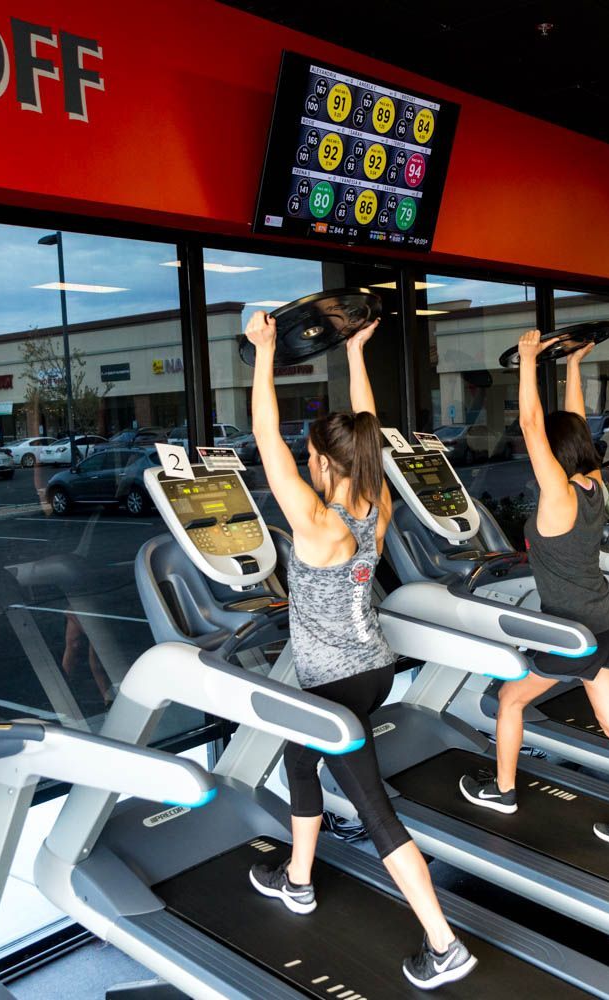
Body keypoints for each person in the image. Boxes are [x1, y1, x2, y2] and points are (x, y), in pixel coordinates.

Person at [242, 312, 476, 990]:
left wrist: (262, 355)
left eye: (308, 456)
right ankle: (297, 878)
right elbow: (367, 427)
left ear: (319, 461)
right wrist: (354, 355)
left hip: (336, 688)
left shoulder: (317, 525)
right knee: (298, 759)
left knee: (374, 811)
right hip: (373, 670)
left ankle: (443, 944)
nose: (303, 464)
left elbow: (264, 440)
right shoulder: (372, 503)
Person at [459, 328, 609, 855]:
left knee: (508, 698)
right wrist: (572, 365)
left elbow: (529, 424)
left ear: (555, 453)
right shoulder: (594, 484)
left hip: (572, 632)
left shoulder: (557, 493)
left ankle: (502, 792)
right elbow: (576, 429)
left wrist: (526, 361)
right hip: (608, 624)